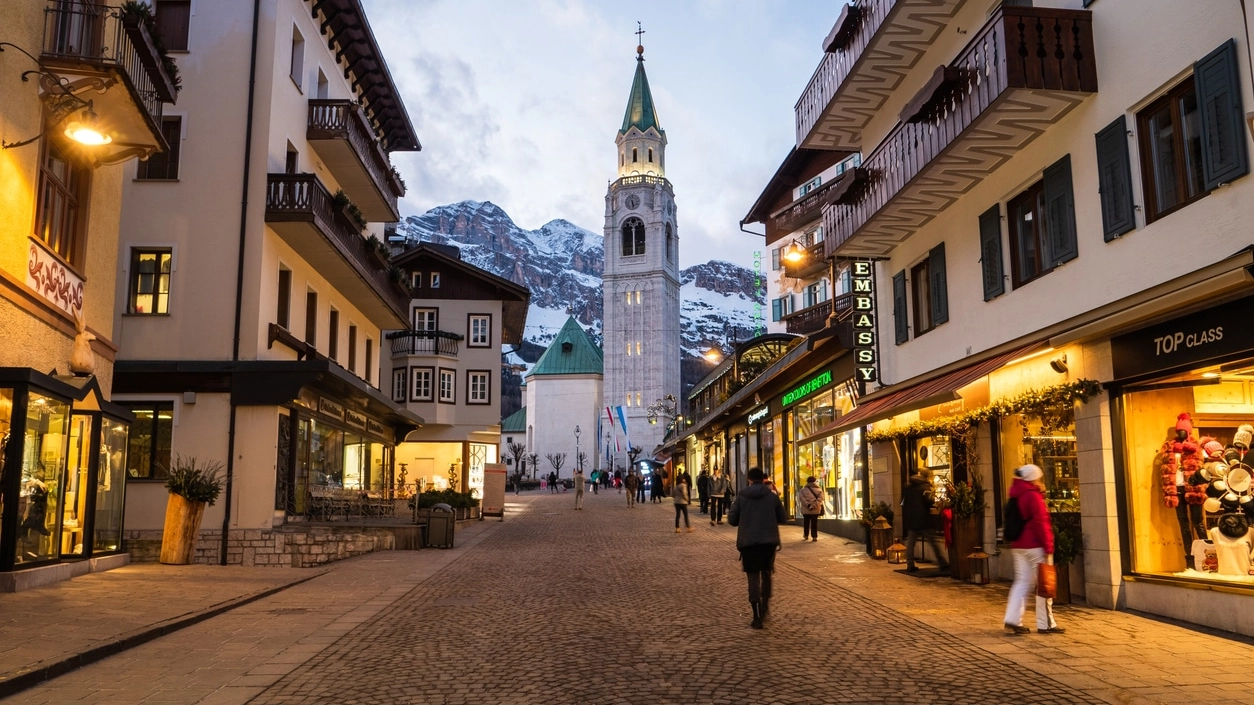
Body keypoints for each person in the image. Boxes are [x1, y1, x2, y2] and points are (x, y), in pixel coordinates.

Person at [1004, 464, 1064, 635]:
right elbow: (1042, 523)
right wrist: (1049, 547)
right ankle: (1046, 623)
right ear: (1033, 478)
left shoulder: (1015, 494)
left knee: (1021, 583)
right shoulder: (1033, 496)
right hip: (1035, 546)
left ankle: (1013, 619)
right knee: (1043, 585)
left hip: (1018, 546)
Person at [728, 467, 786, 629]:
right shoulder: (772, 497)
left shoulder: (742, 496)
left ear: (749, 480)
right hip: (768, 542)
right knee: (766, 573)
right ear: (763, 479)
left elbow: (732, 519)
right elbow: (783, 517)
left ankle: (756, 616)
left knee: (752, 577)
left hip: (748, 543)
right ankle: (765, 606)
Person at [902, 470, 949, 572]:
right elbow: (929, 501)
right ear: (927, 476)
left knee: (910, 543)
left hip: (911, 519)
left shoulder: (908, 486)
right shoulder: (924, 486)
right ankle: (942, 563)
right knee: (933, 542)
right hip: (923, 518)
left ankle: (910, 565)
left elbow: (903, 502)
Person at [796, 476, 824, 542]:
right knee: (814, 523)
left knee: (806, 522)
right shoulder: (819, 490)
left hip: (806, 509)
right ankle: (814, 536)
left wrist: (808, 505)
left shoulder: (803, 490)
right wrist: (814, 505)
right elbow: (820, 499)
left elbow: (801, 499)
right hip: (815, 509)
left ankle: (806, 535)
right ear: (815, 481)